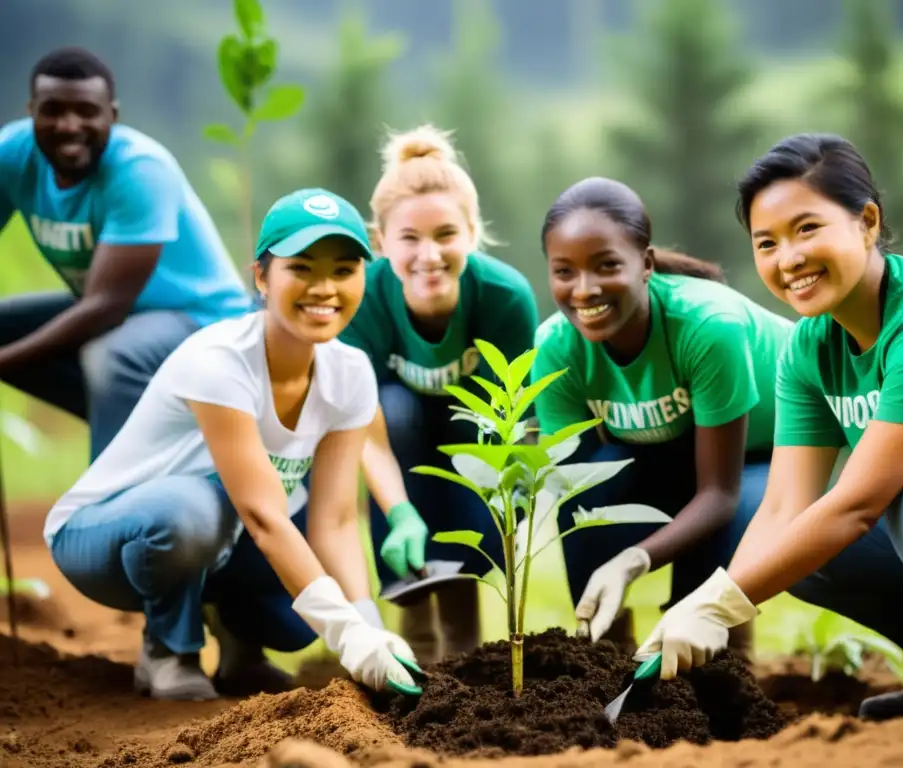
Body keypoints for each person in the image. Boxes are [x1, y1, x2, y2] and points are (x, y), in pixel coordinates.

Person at [633, 132, 903, 724]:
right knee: (787, 542)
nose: (788, 259)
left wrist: (717, 609)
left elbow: (858, 505)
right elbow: (786, 507)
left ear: (867, 221)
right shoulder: (812, 347)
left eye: (807, 228)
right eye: (767, 243)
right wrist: (700, 605)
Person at [43, 188, 419, 701]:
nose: (324, 288)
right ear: (262, 278)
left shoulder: (350, 372)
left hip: (221, 534)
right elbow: (262, 515)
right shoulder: (220, 360)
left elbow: (331, 520)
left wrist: (365, 622)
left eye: (343, 270)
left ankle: (241, 645)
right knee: (200, 511)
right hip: (104, 537)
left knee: (295, 622)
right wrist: (346, 634)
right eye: (302, 268)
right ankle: (169, 649)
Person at [530, 177, 795, 655]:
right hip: (664, 451)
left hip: (763, 453)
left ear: (646, 264)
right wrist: (600, 574)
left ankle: (724, 665)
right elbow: (575, 484)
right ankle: (602, 655)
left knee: (712, 556)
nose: (584, 290)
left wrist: (633, 560)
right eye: (564, 272)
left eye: (607, 266)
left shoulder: (707, 327)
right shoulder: (556, 347)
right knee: (581, 500)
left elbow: (719, 493)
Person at [338, 124, 539, 663]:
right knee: (397, 409)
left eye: (446, 234)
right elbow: (362, 422)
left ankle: (461, 632)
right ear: (380, 243)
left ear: (473, 233)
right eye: (409, 238)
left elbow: (515, 413)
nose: (429, 254)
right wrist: (400, 511)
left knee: (472, 431)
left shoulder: (504, 296)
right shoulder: (364, 300)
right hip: (393, 433)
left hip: (471, 434)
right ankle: (415, 626)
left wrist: (512, 507)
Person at [0, 47, 252, 460]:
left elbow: (105, 308)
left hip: (200, 319)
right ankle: (141, 427)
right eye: (53, 110)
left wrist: (4, 362)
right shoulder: (12, 154)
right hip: (121, 316)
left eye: (86, 111)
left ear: (112, 116)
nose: (69, 126)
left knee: (112, 355)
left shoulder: (140, 170)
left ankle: (106, 498)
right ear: (31, 111)